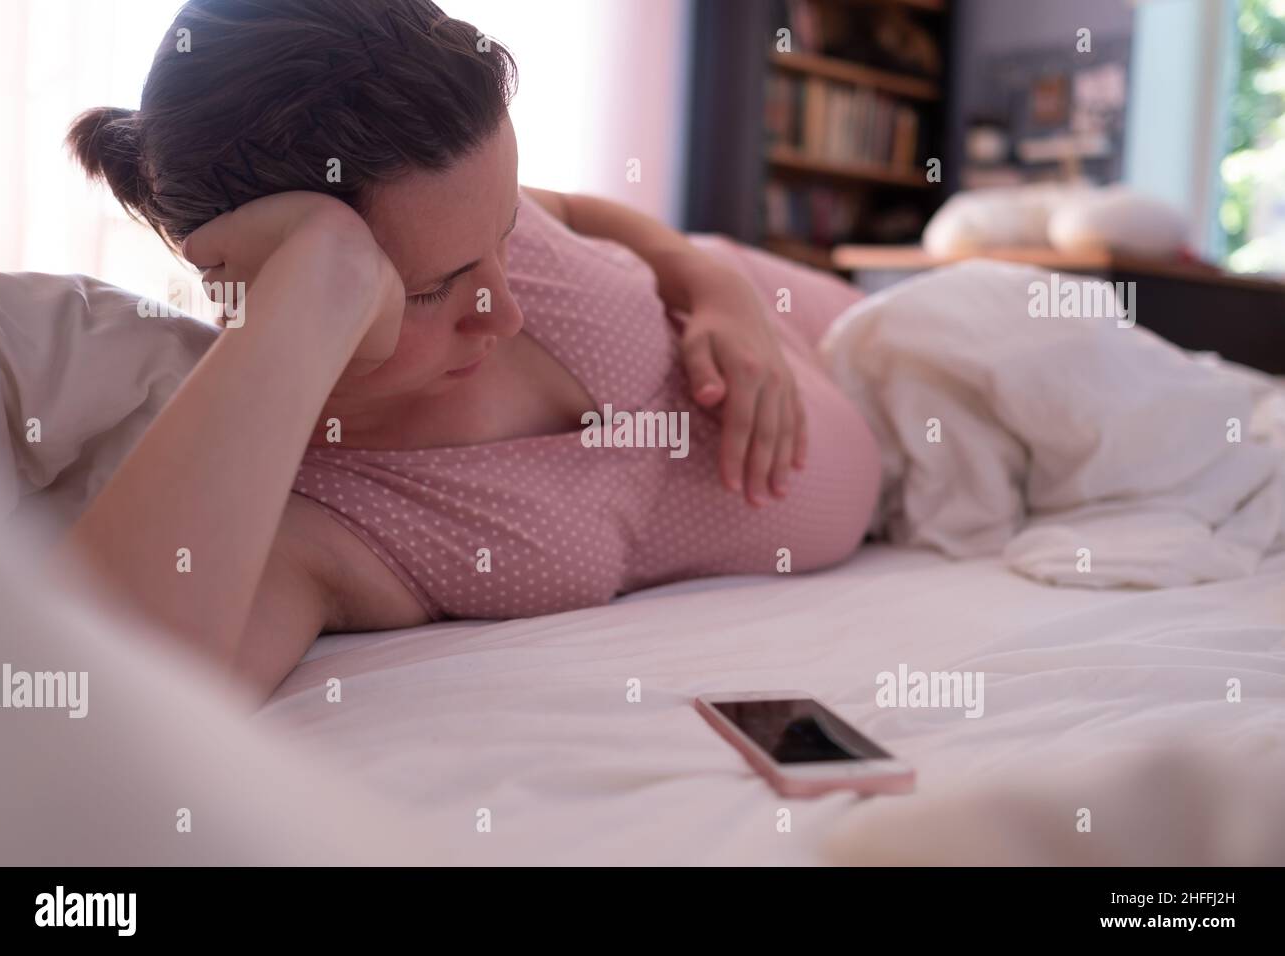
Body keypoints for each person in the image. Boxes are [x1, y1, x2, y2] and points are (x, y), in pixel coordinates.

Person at [60, 0, 881, 697]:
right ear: (276, 275)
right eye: (431, 289)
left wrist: (714, 289)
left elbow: (580, 212)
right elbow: (101, 711)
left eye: (508, 235)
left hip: (822, 322)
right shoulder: (316, 516)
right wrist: (320, 275)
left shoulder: (447, 207)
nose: (509, 310)